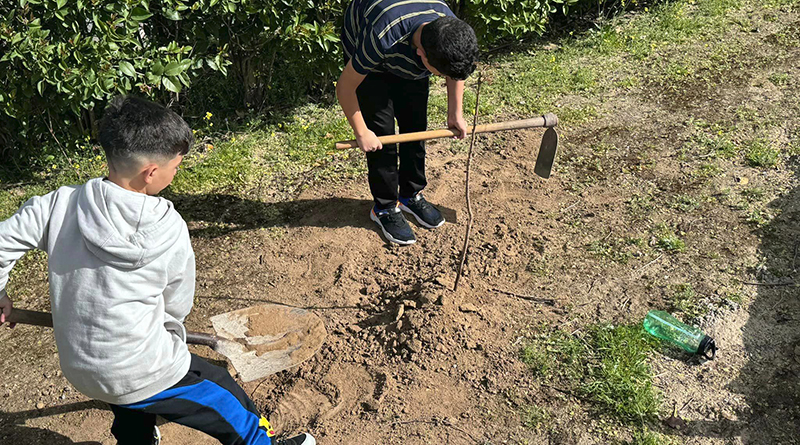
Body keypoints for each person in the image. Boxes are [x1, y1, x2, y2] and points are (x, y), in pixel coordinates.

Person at [0, 96, 315, 445]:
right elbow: (176, 303)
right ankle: (262, 442)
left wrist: (1, 295)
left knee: (128, 395)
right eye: (176, 166)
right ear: (151, 172)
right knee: (223, 393)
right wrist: (167, 329)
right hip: (140, 369)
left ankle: (137, 438)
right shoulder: (167, 227)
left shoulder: (58, 205)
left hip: (81, 368)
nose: (176, 172)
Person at [336, 0, 479, 245]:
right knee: (381, 137)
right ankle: (385, 207)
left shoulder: (446, 26)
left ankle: (411, 194)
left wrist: (456, 113)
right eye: (439, 74)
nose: (443, 78)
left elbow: (456, 71)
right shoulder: (383, 34)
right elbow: (345, 87)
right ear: (421, 54)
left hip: (409, 54)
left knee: (415, 128)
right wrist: (362, 132)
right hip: (369, 60)